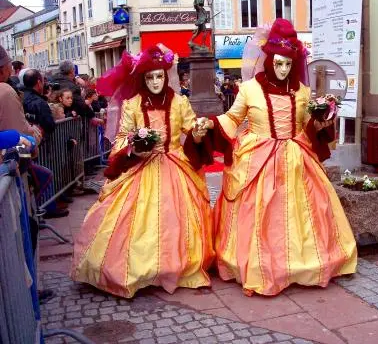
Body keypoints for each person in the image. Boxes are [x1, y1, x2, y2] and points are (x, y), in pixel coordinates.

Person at [198, 19, 357, 296]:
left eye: (288, 63)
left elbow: (307, 126)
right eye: (278, 63)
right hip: (258, 158)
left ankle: (301, 262)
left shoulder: (303, 91)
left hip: (296, 158)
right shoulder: (250, 89)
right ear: (269, 59)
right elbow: (233, 118)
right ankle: (259, 262)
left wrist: (321, 123)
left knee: (307, 209)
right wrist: (211, 124)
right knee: (258, 212)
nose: (283, 69)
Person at [70, 45, 215, 298]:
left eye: (160, 75)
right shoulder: (133, 104)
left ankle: (174, 265)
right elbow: (121, 138)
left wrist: (199, 132)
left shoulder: (179, 102)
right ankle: (139, 268)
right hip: (142, 168)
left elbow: (190, 128)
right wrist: (135, 147)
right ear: (143, 78)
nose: (156, 81)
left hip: (174, 165)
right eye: (150, 77)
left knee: (175, 218)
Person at [22, 69, 56, 136]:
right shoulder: (40, 103)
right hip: (38, 142)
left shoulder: (18, 97)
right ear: (39, 83)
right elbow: (49, 125)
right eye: (43, 82)